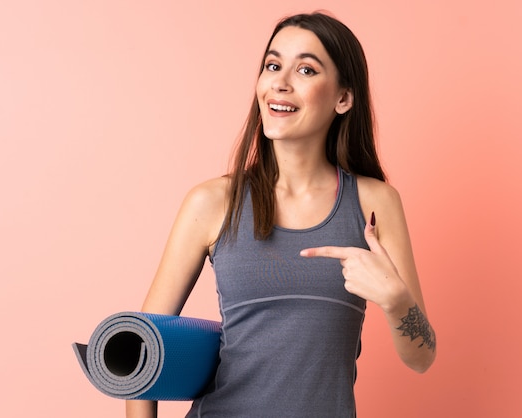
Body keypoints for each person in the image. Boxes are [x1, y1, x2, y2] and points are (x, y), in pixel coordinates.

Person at [126, 11, 436, 418]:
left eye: (306, 69)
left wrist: (395, 299)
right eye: (273, 65)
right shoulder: (212, 201)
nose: (280, 82)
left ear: (343, 98)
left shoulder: (375, 203)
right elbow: (143, 349)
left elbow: (422, 357)